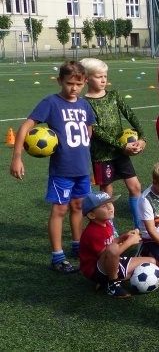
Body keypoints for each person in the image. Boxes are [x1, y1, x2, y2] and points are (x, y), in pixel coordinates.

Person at [10, 60, 96, 274]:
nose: (73, 88)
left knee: (78, 207)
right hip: (62, 170)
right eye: (68, 83)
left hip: (82, 169)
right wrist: (17, 157)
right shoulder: (51, 103)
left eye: (78, 84)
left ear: (84, 83)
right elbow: (25, 128)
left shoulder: (85, 105)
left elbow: (88, 130)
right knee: (59, 210)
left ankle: (77, 246)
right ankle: (57, 257)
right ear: (59, 81)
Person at [81, 57, 147, 229]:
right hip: (102, 154)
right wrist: (122, 145)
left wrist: (142, 137)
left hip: (121, 152)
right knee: (106, 193)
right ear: (87, 78)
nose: (103, 80)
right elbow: (95, 130)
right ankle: (109, 228)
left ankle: (140, 226)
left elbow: (130, 115)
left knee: (135, 187)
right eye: (98, 76)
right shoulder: (85, 103)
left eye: (105, 76)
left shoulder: (114, 96)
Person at [78, 191, 154, 299]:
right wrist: (129, 242)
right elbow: (107, 253)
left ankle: (107, 281)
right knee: (114, 249)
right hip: (95, 270)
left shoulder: (106, 223)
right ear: (91, 215)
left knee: (152, 262)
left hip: (107, 262)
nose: (110, 207)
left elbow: (109, 244)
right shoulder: (92, 232)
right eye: (104, 206)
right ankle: (113, 285)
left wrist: (122, 237)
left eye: (110, 203)